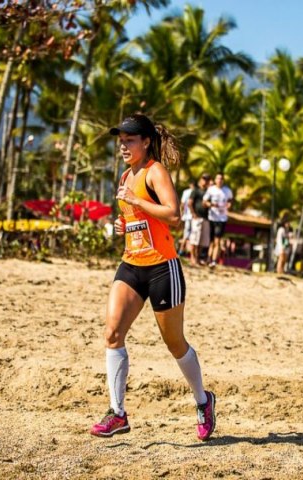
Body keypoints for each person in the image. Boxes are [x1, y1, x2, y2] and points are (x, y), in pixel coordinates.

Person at [90, 114, 216, 440]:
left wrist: (136, 201)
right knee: (112, 332)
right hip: (132, 264)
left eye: (130, 140)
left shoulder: (154, 172)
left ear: (146, 142)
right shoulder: (125, 176)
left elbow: (174, 215)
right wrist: (125, 225)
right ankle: (117, 412)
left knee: (174, 343)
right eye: (121, 140)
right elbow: (140, 221)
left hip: (163, 267)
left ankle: (203, 401)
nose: (123, 146)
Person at [203, 173, 233, 267]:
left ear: (223, 180)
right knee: (211, 241)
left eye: (221, 179)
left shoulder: (227, 191)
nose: (219, 180)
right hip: (212, 217)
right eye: (218, 178)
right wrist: (211, 205)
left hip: (222, 219)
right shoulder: (211, 189)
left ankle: (214, 261)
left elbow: (230, 200)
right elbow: (204, 202)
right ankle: (208, 259)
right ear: (215, 180)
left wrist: (229, 205)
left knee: (217, 240)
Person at [188, 173, 211, 266]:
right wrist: (193, 214)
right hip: (197, 218)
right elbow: (189, 203)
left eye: (207, 179)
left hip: (206, 218)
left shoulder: (209, 192)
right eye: (204, 178)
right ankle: (192, 258)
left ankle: (197, 258)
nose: (205, 181)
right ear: (200, 179)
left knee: (202, 241)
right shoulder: (195, 190)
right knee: (194, 240)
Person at [178, 180, 195, 256]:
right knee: (189, 234)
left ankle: (182, 250)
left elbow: (182, 204)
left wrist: (181, 214)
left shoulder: (186, 192)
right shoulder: (193, 191)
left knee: (186, 233)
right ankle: (182, 250)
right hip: (191, 216)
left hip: (187, 216)